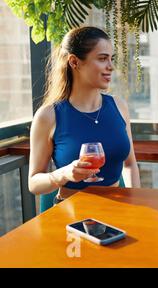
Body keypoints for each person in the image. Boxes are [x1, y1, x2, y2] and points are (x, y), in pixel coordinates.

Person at [29, 26, 141, 206]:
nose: (110, 66)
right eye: (102, 58)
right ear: (74, 62)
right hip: (70, 213)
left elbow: (130, 164)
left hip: (118, 210)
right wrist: (64, 174)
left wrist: (136, 202)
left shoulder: (119, 106)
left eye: (111, 59)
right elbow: (34, 183)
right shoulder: (48, 116)